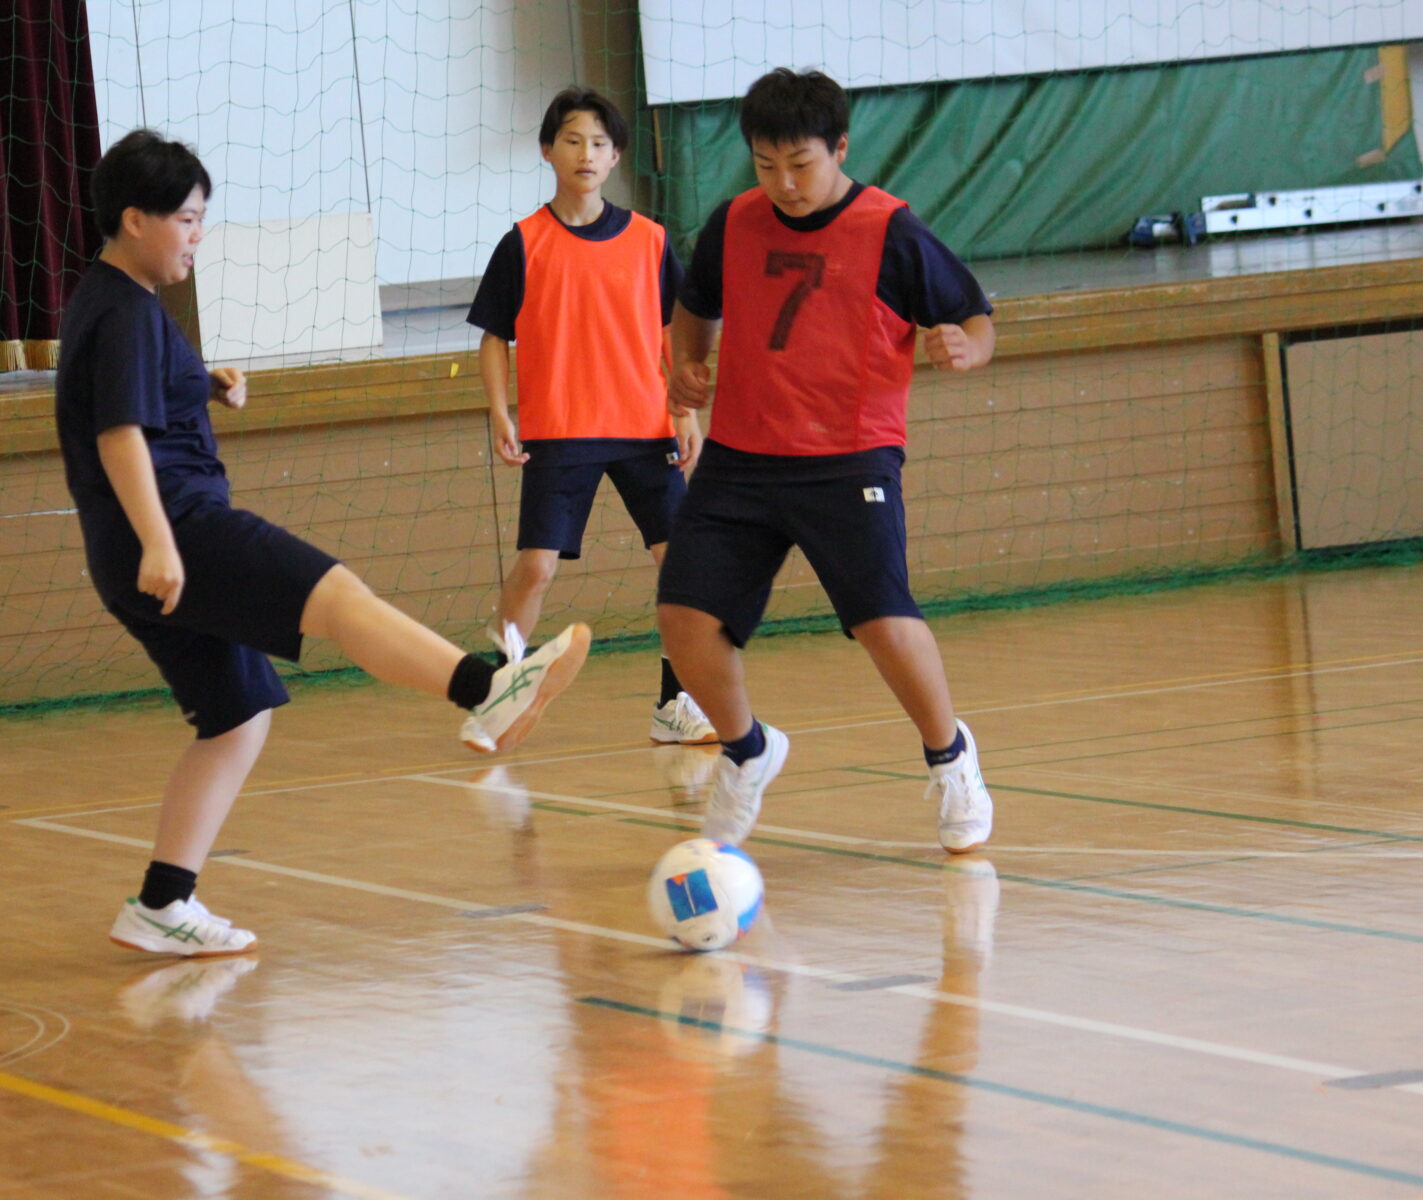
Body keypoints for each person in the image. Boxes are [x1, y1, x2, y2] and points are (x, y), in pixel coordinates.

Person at [55, 129, 589, 958]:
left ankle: (162, 903)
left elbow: (145, 399)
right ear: (134, 219)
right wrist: (161, 543)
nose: (198, 235)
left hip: (140, 551)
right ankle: (486, 689)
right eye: (188, 220)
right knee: (338, 598)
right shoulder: (124, 313)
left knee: (237, 718)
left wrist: (208, 381)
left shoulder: (115, 303)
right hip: (179, 534)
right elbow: (118, 434)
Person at [658, 68, 996, 853]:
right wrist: (687, 366)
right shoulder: (734, 221)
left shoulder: (891, 231)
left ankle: (951, 757)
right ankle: (747, 751)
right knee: (683, 614)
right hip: (741, 455)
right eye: (765, 165)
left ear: (840, 148)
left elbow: (974, 317)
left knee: (883, 619)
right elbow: (695, 305)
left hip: (848, 459)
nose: (783, 183)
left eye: (801, 164)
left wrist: (964, 349)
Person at [466, 86, 715, 747]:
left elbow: (674, 330)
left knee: (681, 563)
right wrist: (499, 409)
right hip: (560, 430)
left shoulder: (650, 240)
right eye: (573, 139)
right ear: (548, 150)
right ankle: (502, 687)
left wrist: (685, 411)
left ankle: (676, 701)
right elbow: (494, 334)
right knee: (537, 567)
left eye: (601, 143)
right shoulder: (522, 243)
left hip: (646, 427)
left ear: (616, 158)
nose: (587, 153)